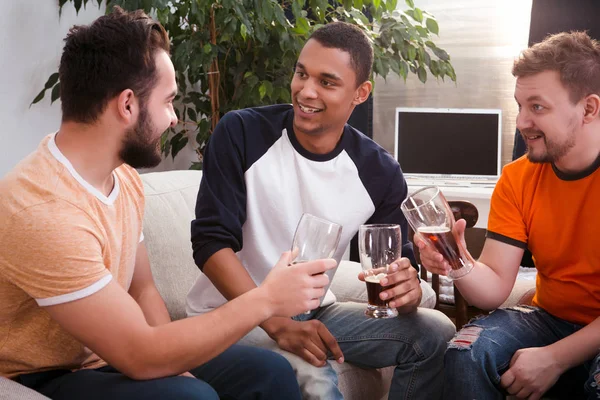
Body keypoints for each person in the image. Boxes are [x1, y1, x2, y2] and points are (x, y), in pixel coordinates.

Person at [0, 7, 337, 400]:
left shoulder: (123, 178)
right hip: (42, 375)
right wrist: (266, 299)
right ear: (127, 105)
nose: (175, 119)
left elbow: (142, 291)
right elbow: (139, 354)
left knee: (269, 372)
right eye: (168, 101)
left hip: (106, 358)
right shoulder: (43, 211)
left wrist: (180, 368)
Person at [187, 21, 456, 400]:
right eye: (301, 74)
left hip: (315, 312)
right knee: (316, 379)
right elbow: (210, 243)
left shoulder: (379, 171)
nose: (305, 91)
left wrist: (407, 289)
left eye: (327, 82)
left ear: (360, 93)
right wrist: (275, 322)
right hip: (233, 312)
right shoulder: (241, 133)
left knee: (435, 334)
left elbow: (397, 266)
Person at [417, 31, 600, 400]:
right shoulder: (517, 178)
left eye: (538, 107)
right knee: (465, 352)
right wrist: (457, 261)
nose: (521, 122)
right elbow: (495, 287)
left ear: (589, 108)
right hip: (550, 317)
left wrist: (555, 359)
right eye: (520, 105)